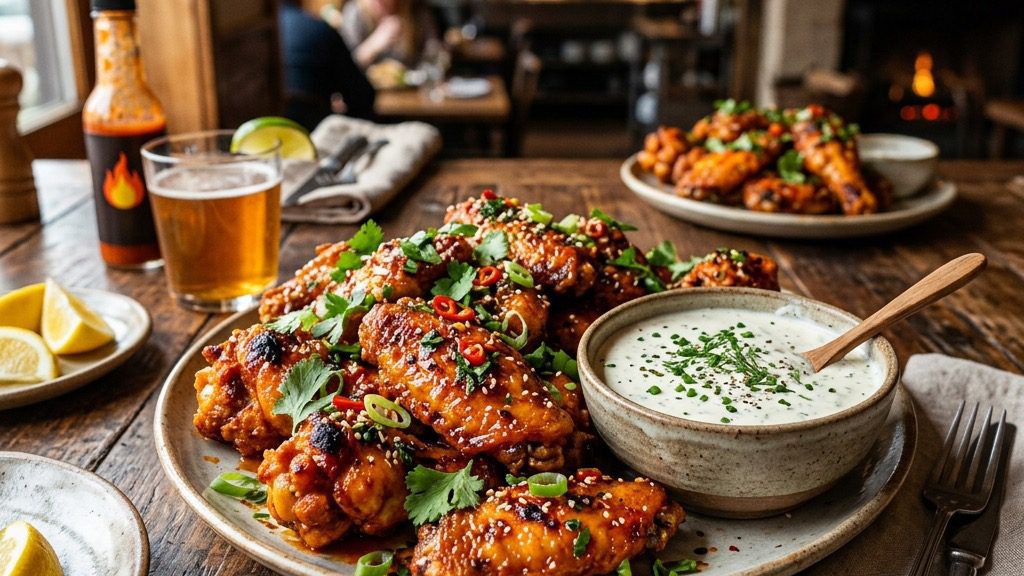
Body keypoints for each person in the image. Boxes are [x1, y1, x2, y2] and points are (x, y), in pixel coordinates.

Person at [279, 0, 376, 131]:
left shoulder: (256, 36)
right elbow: (362, 96)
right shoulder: (318, 29)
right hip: (314, 135)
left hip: (258, 139)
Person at [340, 0, 437, 68]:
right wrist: (374, 44)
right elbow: (344, 67)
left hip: (410, 91)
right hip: (366, 90)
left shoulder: (416, 11)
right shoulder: (354, 12)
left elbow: (434, 54)